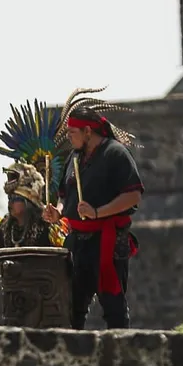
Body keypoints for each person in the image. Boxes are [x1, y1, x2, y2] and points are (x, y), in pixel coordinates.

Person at [42, 88, 143, 329]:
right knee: (72, 307)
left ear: (88, 131)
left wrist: (98, 212)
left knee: (113, 307)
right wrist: (58, 212)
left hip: (107, 240)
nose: (69, 138)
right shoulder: (73, 158)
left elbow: (133, 195)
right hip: (77, 242)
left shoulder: (115, 153)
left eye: (73, 133)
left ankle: (119, 359)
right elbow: (66, 197)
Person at [0, 161, 68, 269]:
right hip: (13, 283)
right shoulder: (5, 225)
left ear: (28, 202)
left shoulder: (47, 223)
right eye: (9, 198)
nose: (10, 203)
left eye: (15, 198)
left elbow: (62, 256)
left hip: (42, 282)